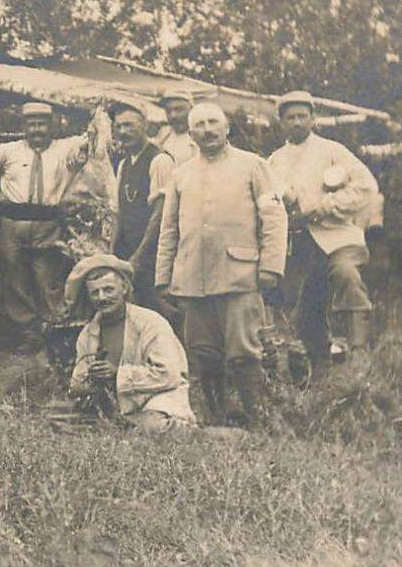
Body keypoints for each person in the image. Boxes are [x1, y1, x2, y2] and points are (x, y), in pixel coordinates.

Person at [155, 101, 288, 426]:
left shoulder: (253, 165)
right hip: (192, 277)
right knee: (203, 351)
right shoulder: (181, 173)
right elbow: (169, 227)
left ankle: (257, 416)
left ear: (227, 128)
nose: (207, 130)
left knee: (244, 350)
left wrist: (271, 265)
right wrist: (164, 276)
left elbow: (274, 216)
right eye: (199, 125)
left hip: (238, 274)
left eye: (214, 122)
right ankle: (217, 416)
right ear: (190, 133)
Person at [266, 90, 382, 363]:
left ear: (313, 119)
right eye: (290, 117)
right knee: (305, 308)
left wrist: (324, 207)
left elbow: (366, 186)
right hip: (300, 243)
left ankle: (358, 351)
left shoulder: (332, 151)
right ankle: (320, 366)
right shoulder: (273, 161)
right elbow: (268, 200)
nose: (297, 122)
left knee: (346, 273)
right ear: (281, 122)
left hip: (337, 234)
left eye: (302, 116)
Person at [0, 102, 89, 345]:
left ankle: (54, 324)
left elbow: (92, 137)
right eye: (32, 124)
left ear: (51, 125)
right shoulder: (6, 151)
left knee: (48, 275)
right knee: (14, 273)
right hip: (12, 221)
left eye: (42, 124)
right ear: (23, 126)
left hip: (49, 222)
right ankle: (26, 327)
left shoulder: (64, 149)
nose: (37, 130)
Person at [60, 254, 195, 432]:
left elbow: (170, 374)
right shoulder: (88, 333)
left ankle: (176, 428)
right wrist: (90, 379)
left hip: (156, 398)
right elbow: (77, 383)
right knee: (56, 417)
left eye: (108, 290)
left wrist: (117, 373)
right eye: (95, 292)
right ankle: (119, 424)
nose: (102, 298)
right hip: (116, 403)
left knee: (152, 426)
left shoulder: (150, 322)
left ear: (124, 288)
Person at [106, 102, 175, 311]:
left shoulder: (160, 160)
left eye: (129, 125)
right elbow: (119, 213)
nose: (123, 132)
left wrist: (139, 257)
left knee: (160, 307)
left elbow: (161, 214)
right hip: (129, 251)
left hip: (152, 253)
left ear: (144, 125)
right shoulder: (124, 164)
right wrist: (111, 253)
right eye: (118, 127)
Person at [156, 90, 199, 166]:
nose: (173, 115)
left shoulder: (200, 137)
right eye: (168, 111)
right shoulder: (163, 135)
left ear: (191, 109)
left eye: (179, 109)